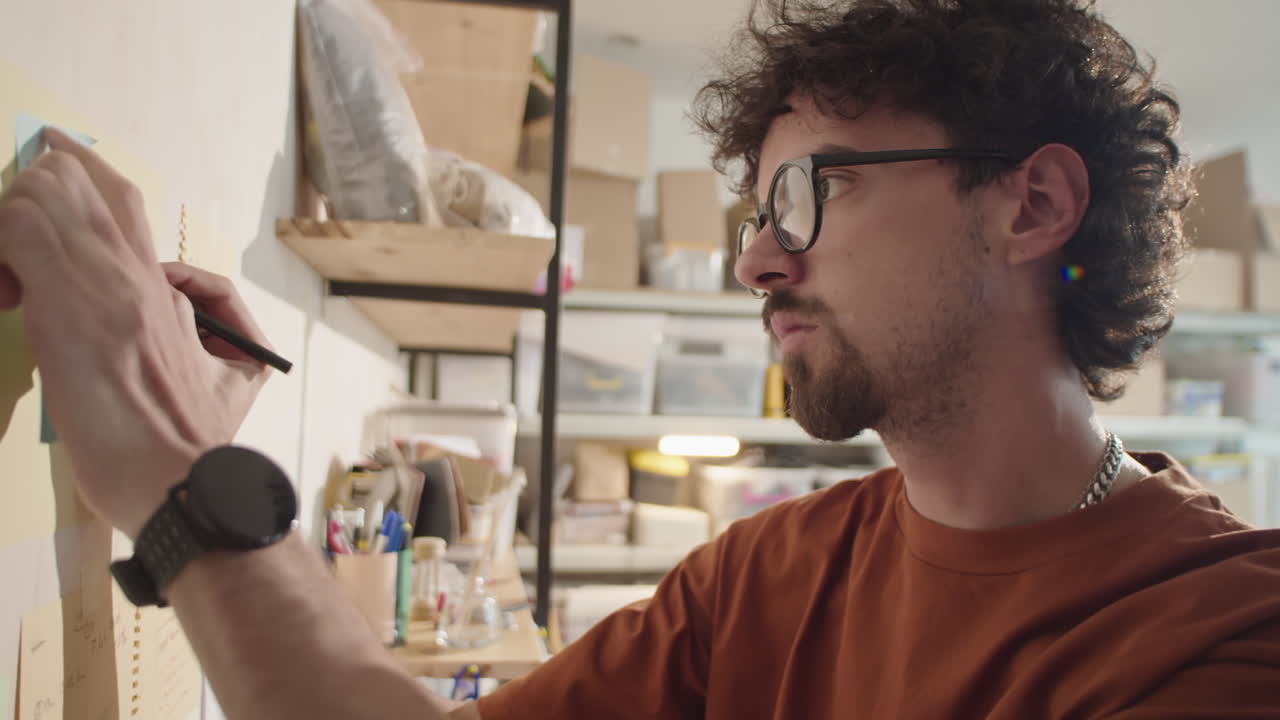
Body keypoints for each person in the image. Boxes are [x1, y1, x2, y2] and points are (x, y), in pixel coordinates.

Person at [1, 0, 1278, 718]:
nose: (757, 264)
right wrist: (202, 457)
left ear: (1029, 207)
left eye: (802, 198)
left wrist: (183, 486)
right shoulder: (766, 576)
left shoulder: (1216, 638)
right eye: (755, 220)